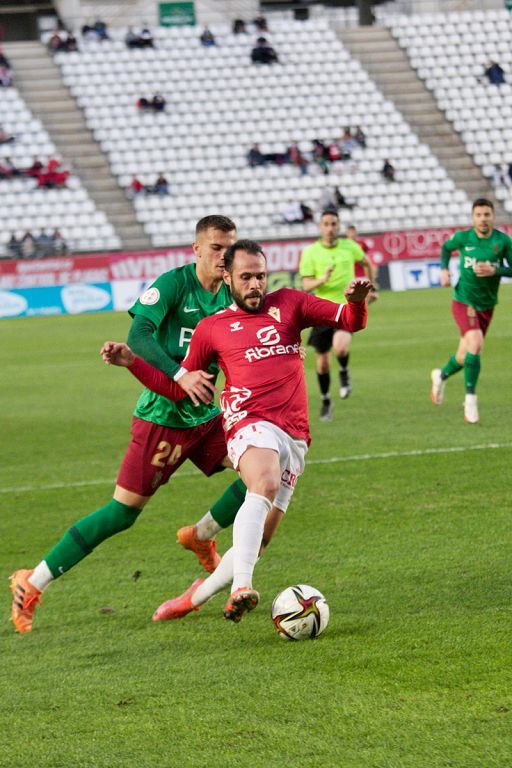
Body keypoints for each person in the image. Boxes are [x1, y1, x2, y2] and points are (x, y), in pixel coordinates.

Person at [9, 215, 261, 634]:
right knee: (122, 514)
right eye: (216, 248)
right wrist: (178, 374)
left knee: (262, 475)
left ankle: (202, 534)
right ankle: (32, 582)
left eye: (229, 248)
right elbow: (139, 335)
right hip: (162, 417)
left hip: (206, 415)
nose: (224, 256)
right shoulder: (173, 285)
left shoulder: (231, 292)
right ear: (196, 249)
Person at [101, 239, 372, 623]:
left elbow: (350, 321)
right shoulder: (212, 329)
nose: (255, 285)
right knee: (262, 483)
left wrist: (357, 300)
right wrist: (132, 362)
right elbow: (182, 389)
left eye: (260, 276)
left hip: (294, 435)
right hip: (248, 422)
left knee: (258, 541)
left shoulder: (291, 303)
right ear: (228, 276)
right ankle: (241, 586)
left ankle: (196, 596)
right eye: (246, 277)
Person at [430, 198, 512, 424]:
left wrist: (495, 270)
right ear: (472, 217)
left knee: (464, 355)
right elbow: (446, 248)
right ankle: (470, 400)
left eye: (487, 214)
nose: (483, 219)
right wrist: (444, 270)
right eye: (478, 215)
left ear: (493, 216)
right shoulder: (463, 238)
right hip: (463, 300)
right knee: (476, 344)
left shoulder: (502, 241)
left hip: (487, 305)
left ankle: (441, 375)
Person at [299, 210, 377, 419]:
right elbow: (305, 284)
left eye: (334, 223)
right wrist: (322, 280)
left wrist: (372, 288)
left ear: (338, 225)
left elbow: (368, 263)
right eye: (326, 224)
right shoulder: (310, 252)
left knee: (341, 347)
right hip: (322, 310)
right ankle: (326, 400)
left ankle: (344, 372)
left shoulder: (349, 247)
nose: (330, 228)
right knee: (322, 363)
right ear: (320, 227)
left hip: (345, 307)